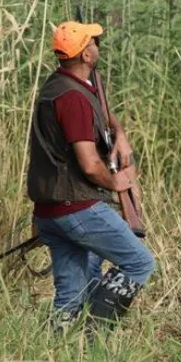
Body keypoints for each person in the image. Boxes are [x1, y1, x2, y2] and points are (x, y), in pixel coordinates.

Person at [26, 20, 155, 330]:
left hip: (51, 213)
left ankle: (61, 355)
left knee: (71, 296)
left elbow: (103, 113)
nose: (98, 47)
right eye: (93, 43)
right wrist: (118, 182)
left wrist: (119, 133)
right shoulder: (73, 99)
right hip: (78, 208)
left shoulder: (62, 85)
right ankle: (94, 330)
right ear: (85, 55)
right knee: (140, 263)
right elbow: (89, 164)